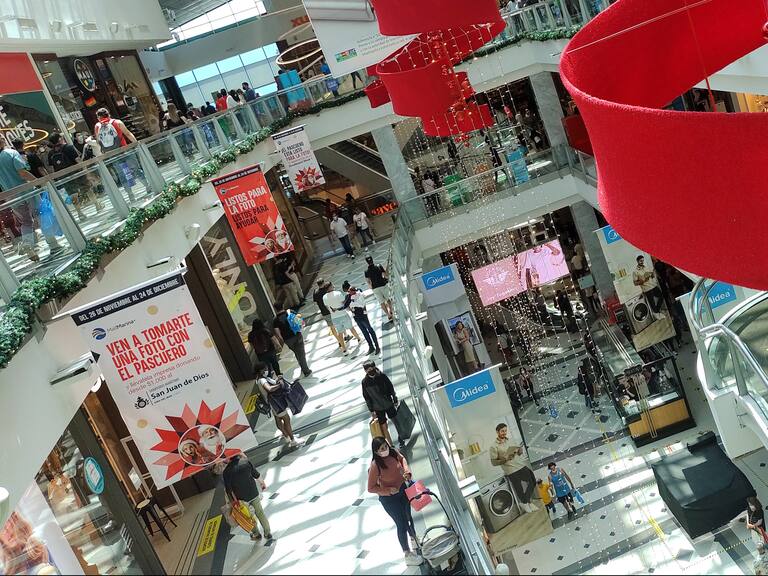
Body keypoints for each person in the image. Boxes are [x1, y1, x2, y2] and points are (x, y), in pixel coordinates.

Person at [367, 437, 423, 566]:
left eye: (386, 446)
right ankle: (407, 553)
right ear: (376, 452)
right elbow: (370, 488)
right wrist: (387, 490)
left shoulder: (393, 452)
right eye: (382, 449)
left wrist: (407, 472)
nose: (385, 450)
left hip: (403, 492)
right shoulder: (376, 465)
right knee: (401, 523)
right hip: (389, 500)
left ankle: (414, 538)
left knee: (408, 517)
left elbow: (402, 459)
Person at [0, 133, 49, 262]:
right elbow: (22, 173)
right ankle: (53, 243)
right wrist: (39, 181)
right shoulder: (11, 153)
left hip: (11, 196)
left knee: (26, 222)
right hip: (27, 191)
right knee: (41, 215)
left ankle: (28, 245)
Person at [222, 453, 272, 541]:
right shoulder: (246, 462)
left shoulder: (227, 471)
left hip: (241, 499)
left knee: (248, 517)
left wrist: (233, 502)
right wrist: (262, 483)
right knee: (260, 513)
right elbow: (256, 474)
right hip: (253, 493)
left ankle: (256, 534)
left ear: (228, 458)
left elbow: (228, 490)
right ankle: (268, 533)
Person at [489, 423, 538, 513]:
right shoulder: (493, 446)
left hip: (520, 465)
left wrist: (520, 450)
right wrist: (504, 459)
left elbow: (519, 453)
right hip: (510, 470)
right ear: (497, 432)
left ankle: (524, 502)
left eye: (505, 430)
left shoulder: (510, 440)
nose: (504, 433)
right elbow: (493, 462)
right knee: (518, 487)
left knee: (533, 481)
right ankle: (527, 503)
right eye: (502, 431)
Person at [255, 362, 303, 447]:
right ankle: (293, 440)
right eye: (265, 369)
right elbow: (269, 389)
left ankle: (286, 435)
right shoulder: (262, 380)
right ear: (260, 371)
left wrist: (278, 380)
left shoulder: (261, 379)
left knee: (278, 419)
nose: (267, 370)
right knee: (286, 419)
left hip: (272, 404)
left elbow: (272, 383)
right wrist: (279, 385)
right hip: (276, 403)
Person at [362, 360, 400, 447]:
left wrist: (394, 399)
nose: (370, 371)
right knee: (383, 427)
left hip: (388, 404)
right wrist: (371, 410)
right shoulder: (365, 382)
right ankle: (391, 445)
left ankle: (400, 437)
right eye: (367, 370)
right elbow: (366, 397)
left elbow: (390, 388)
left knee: (396, 421)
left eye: (371, 368)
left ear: (375, 367)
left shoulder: (382, 376)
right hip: (377, 408)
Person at [272, 304, 312, 377]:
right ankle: (306, 371)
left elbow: (278, 333)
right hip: (297, 335)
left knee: (297, 353)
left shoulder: (275, 320)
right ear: (283, 306)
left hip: (288, 340)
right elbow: (300, 322)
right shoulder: (290, 312)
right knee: (301, 353)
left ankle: (303, 367)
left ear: (275, 309)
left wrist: (283, 340)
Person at [342, 280, 380, 355]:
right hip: (360, 314)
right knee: (366, 330)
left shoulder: (351, 294)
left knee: (367, 330)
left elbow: (347, 307)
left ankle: (374, 346)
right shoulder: (355, 292)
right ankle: (373, 346)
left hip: (358, 315)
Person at [313, 278, 347, 352]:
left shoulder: (315, 292)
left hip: (324, 312)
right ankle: (345, 336)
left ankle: (339, 341)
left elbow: (315, 303)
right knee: (339, 324)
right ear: (323, 283)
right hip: (332, 310)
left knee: (332, 328)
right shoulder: (327, 290)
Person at [633, 255, 665, 319]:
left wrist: (652, 275)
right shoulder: (635, 271)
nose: (642, 262)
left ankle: (656, 312)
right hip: (647, 288)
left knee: (661, 296)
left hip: (653, 285)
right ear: (637, 261)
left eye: (642, 260)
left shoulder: (646, 267)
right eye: (640, 261)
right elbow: (635, 283)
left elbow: (651, 276)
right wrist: (642, 281)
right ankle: (657, 313)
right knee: (652, 303)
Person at [365, 256, 393, 322]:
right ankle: (391, 311)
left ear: (367, 262)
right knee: (388, 299)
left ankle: (388, 315)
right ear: (372, 260)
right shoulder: (379, 266)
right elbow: (386, 275)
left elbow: (368, 282)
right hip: (383, 285)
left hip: (375, 288)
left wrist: (371, 287)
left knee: (382, 302)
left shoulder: (366, 272)